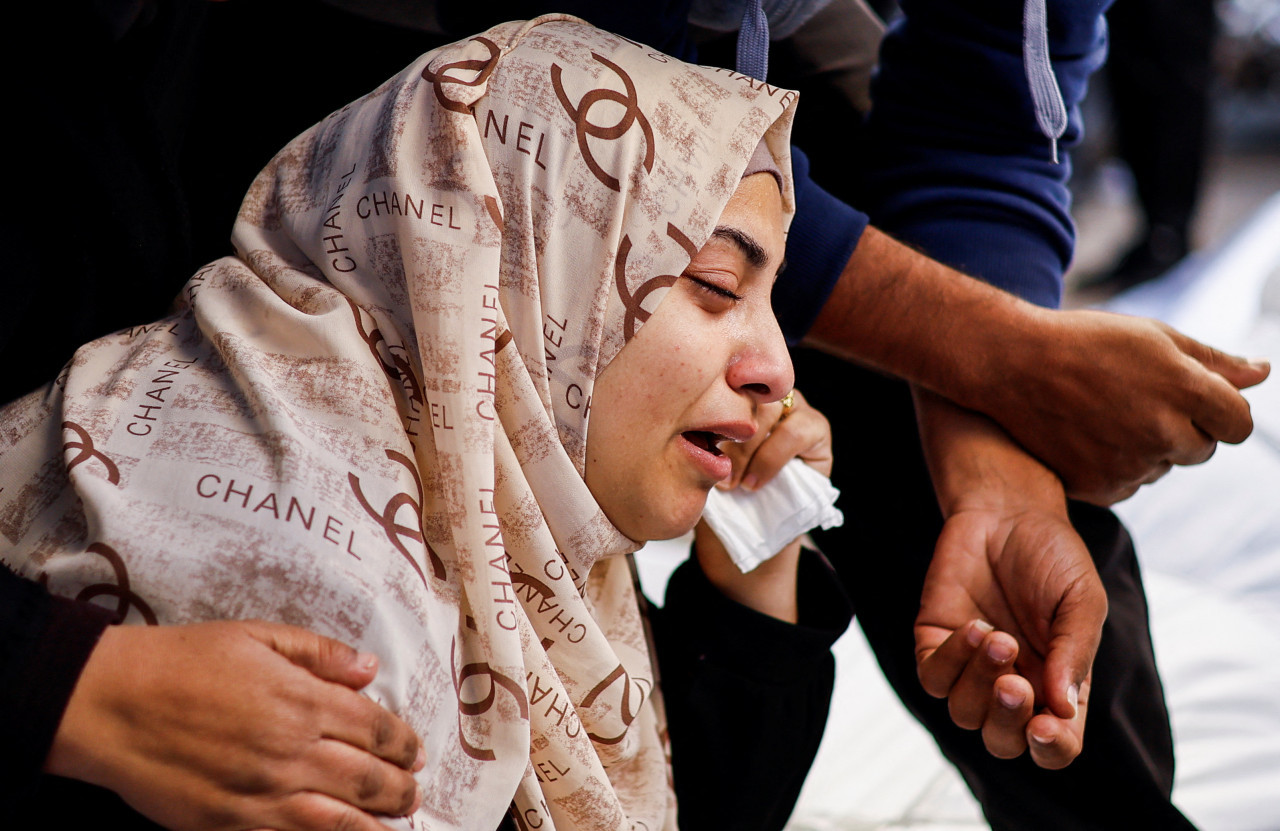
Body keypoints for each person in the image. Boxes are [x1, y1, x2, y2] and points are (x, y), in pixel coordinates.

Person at [1, 17, 853, 829]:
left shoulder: (505, 518)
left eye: (770, 299)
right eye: (713, 284)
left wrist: (764, 540)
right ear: (522, 270)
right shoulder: (298, 578)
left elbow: (694, 803)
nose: (776, 369)